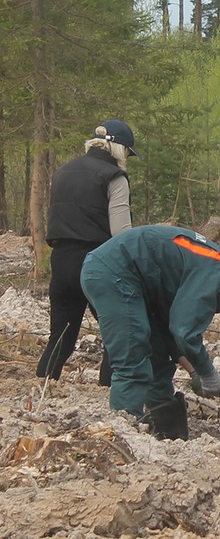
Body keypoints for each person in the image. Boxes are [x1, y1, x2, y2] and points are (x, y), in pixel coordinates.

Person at [79, 225, 220, 440]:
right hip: (114, 274)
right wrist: (207, 372)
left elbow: (170, 328)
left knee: (158, 356)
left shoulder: (216, 266)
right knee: (132, 357)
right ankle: (121, 435)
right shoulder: (215, 272)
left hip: (127, 278)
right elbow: (184, 331)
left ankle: (168, 432)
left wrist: (193, 372)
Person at [38, 120, 138, 382]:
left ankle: (42, 389)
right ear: (117, 148)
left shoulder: (63, 172)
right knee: (116, 336)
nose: (127, 157)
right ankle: (109, 394)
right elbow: (121, 234)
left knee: (60, 339)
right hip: (97, 264)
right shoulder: (114, 176)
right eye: (128, 151)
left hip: (60, 262)